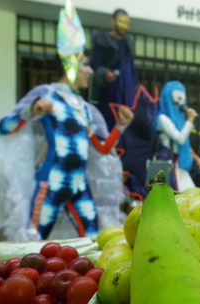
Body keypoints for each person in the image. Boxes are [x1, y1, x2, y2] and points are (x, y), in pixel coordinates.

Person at [0, 1, 134, 240]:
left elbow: (103, 148)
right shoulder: (47, 95)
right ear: (71, 64)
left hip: (79, 183)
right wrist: (32, 110)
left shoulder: (83, 109)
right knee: (34, 241)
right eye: (86, 65)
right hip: (52, 181)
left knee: (93, 240)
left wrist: (120, 125)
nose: (90, 71)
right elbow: (4, 127)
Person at [90, 8, 158, 199]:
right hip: (110, 92)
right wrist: (104, 74)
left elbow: (133, 71)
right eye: (121, 22)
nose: (124, 27)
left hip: (127, 92)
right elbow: (95, 64)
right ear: (113, 22)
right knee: (110, 131)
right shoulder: (102, 40)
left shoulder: (128, 44)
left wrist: (135, 90)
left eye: (127, 23)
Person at [155, 81, 200, 192]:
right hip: (168, 165)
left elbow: (185, 145)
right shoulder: (163, 118)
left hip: (178, 166)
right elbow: (180, 139)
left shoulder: (179, 121)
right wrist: (190, 119)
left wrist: (196, 158)